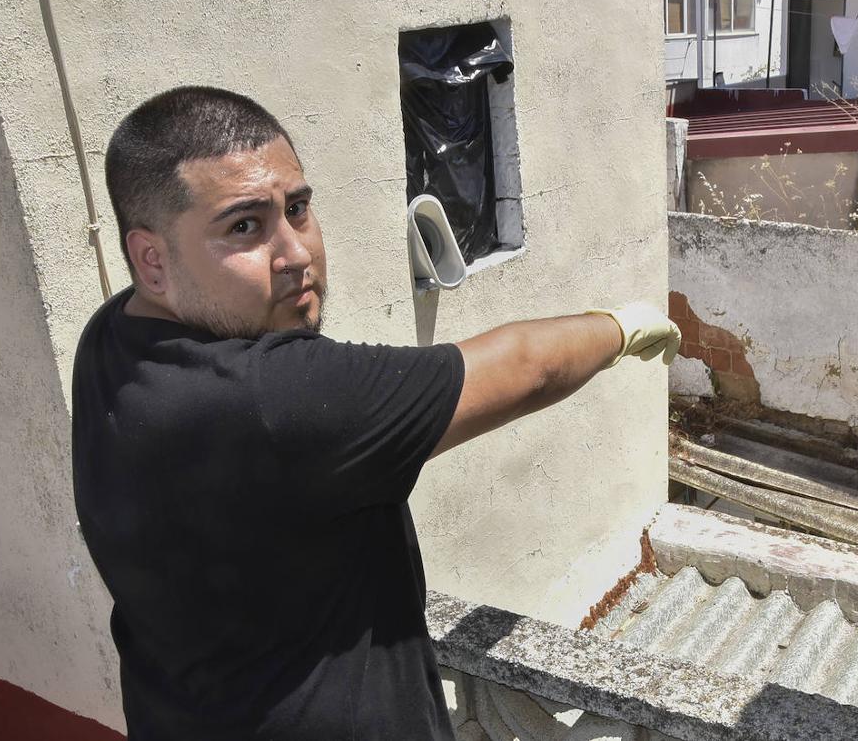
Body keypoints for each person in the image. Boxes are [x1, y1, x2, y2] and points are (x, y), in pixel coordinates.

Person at [71, 86, 680, 740]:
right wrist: (620, 328)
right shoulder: (271, 400)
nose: (296, 254)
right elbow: (527, 368)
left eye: (297, 209)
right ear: (152, 260)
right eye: (244, 226)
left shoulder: (109, 338)